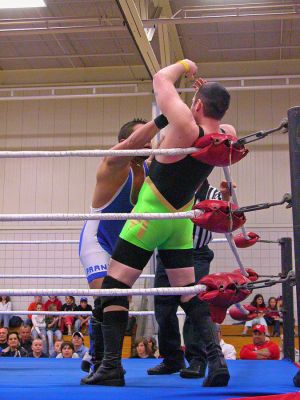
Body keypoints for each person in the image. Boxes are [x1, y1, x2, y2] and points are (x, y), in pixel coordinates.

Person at [85, 59, 233, 387]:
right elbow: (218, 119)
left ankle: (111, 367)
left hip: (150, 214)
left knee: (115, 286)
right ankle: (216, 361)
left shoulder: (182, 123)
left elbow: (160, 77)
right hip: (180, 219)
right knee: (188, 292)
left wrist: (186, 65)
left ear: (196, 104)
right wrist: (206, 100)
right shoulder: (224, 135)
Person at [79, 117, 169, 380]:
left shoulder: (150, 168)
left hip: (123, 244)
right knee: (106, 297)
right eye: (143, 138)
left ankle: (97, 357)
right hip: (97, 240)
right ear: (125, 142)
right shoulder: (113, 163)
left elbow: (177, 138)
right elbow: (135, 143)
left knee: (117, 302)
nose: (149, 144)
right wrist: (163, 116)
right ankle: (99, 361)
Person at [148, 180, 232, 378]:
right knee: (163, 307)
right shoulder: (175, 186)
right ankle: (172, 358)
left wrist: (226, 198)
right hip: (168, 252)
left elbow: (225, 223)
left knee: (195, 306)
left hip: (196, 254)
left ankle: (197, 360)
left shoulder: (213, 194)